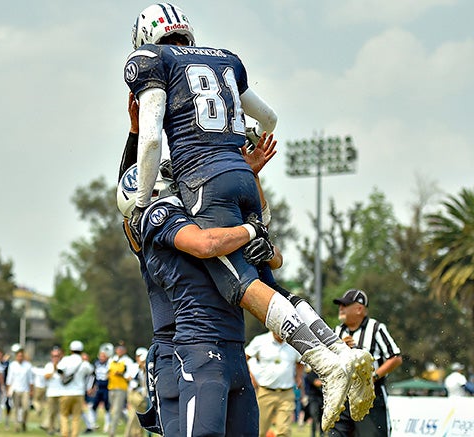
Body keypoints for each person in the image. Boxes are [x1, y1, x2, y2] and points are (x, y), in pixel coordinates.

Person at [123, 4, 375, 431]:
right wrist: (248, 197)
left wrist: (248, 221)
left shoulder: (174, 201)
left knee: (249, 282)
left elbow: (264, 259)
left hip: (227, 346)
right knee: (257, 282)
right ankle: (329, 355)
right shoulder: (160, 215)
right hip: (190, 351)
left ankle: (333, 358)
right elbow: (211, 244)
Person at [331, 289, 403, 437]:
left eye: (345, 305)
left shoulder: (376, 328)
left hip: (370, 397)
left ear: (359, 308)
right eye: (340, 305)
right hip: (342, 396)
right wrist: (338, 348)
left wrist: (373, 377)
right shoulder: (337, 332)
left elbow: (395, 357)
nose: (340, 308)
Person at [246, 330, 304, 437]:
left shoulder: (293, 343)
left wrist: (299, 376)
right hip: (265, 392)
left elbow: (300, 361)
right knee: (259, 430)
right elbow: (245, 356)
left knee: (284, 431)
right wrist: (249, 376)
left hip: (287, 393)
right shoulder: (260, 340)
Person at [56, 340, 95, 437]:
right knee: (76, 417)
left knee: (64, 416)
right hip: (78, 393)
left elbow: (59, 370)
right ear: (81, 351)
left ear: (71, 350)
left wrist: (64, 377)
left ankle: (65, 434)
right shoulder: (84, 362)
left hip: (65, 392)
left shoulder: (66, 359)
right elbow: (92, 372)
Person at [107, 343, 136, 436]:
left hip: (121, 388)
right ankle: (130, 424)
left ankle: (112, 431)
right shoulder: (112, 359)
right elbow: (108, 371)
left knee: (116, 410)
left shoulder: (128, 361)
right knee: (117, 410)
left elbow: (130, 375)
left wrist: (121, 374)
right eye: (118, 350)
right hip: (111, 387)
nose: (119, 351)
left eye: (121, 350)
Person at [5, 345, 33, 432]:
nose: (20, 357)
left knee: (25, 408)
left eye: (22, 356)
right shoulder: (12, 365)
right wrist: (8, 390)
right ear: (16, 356)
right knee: (16, 409)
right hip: (15, 390)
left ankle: (24, 423)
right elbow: (9, 379)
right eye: (19, 356)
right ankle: (16, 426)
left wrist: (31, 390)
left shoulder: (28, 365)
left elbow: (30, 380)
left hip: (25, 390)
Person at [87, 344, 112, 432]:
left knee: (107, 407)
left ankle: (107, 425)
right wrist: (91, 387)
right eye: (101, 356)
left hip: (107, 388)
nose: (102, 358)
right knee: (93, 406)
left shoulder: (110, 364)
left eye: (104, 356)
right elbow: (93, 377)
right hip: (98, 387)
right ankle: (93, 424)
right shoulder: (96, 364)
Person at [42, 346, 64, 435]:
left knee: (61, 413)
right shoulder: (48, 365)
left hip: (61, 392)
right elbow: (46, 377)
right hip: (51, 393)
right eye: (54, 356)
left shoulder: (63, 365)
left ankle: (60, 428)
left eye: (57, 356)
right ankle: (50, 428)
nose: (55, 358)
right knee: (51, 412)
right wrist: (54, 370)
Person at [303, 368, 325, 437]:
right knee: (314, 415)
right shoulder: (312, 373)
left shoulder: (324, 372)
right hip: (314, 398)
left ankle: (322, 434)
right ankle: (313, 434)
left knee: (322, 417)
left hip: (323, 398)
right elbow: (316, 383)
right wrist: (325, 382)